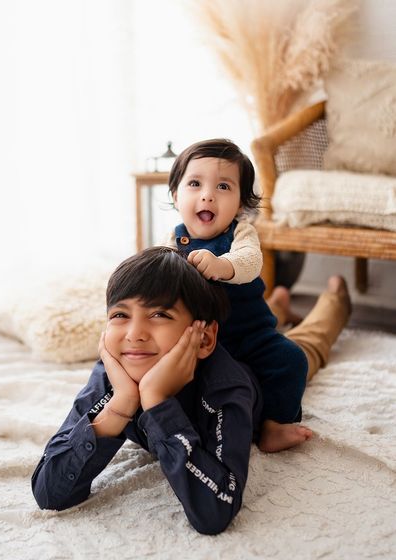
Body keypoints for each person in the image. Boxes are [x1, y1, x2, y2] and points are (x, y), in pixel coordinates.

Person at [31, 247, 351, 534]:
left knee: (305, 346)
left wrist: (156, 402)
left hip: (253, 372)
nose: (135, 334)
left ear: (206, 338)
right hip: (206, 344)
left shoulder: (226, 388)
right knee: (263, 320)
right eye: (120, 315)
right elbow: (49, 493)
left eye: (159, 314)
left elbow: (215, 510)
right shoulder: (115, 373)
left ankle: (334, 302)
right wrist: (121, 404)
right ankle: (278, 305)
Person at [164, 138, 311, 451]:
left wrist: (221, 265)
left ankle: (274, 425)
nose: (207, 195)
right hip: (205, 343)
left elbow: (250, 261)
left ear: (242, 203)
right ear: (177, 196)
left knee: (293, 360)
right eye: (194, 183)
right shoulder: (172, 243)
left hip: (252, 334)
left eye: (223, 187)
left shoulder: (240, 233)